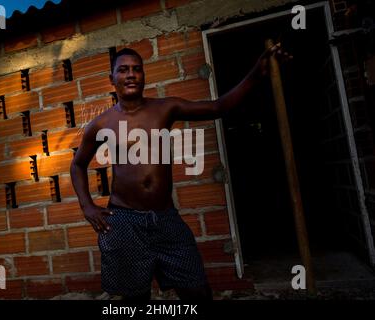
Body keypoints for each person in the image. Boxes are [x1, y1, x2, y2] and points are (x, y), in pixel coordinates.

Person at [70, 44, 290, 301]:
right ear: (112, 79)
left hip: (165, 218)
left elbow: (218, 107)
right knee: (135, 297)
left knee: (196, 289)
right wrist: (87, 206)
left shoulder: (165, 108)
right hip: (124, 220)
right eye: (123, 70)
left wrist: (255, 74)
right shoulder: (101, 124)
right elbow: (77, 165)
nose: (131, 75)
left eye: (136, 70)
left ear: (143, 76)